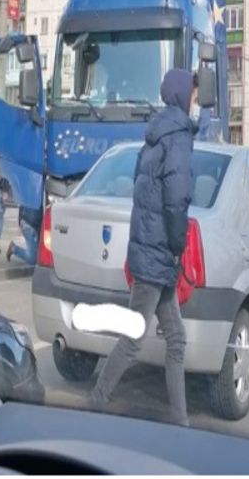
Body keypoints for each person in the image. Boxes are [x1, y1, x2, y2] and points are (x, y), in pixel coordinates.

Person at [87, 69, 198, 428]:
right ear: (183, 97)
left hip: (152, 250)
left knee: (176, 337)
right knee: (134, 338)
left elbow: (144, 191)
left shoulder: (155, 136)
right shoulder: (177, 137)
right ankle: (96, 402)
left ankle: (180, 422)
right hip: (159, 252)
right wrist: (179, 245)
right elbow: (176, 199)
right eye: (194, 95)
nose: (196, 101)